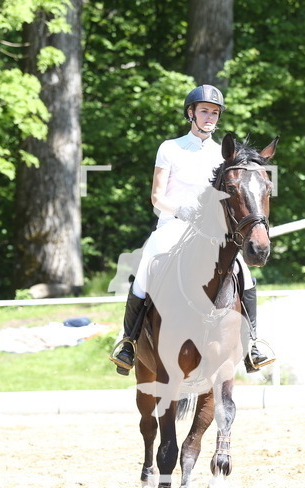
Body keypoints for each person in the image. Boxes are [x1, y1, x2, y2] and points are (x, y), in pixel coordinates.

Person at [109, 84, 275, 376]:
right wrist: (179, 211)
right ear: (191, 113)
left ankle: (253, 343)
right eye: (204, 111)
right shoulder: (170, 148)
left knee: (244, 273)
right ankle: (129, 342)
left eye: (214, 112)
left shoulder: (224, 155)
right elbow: (156, 196)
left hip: (211, 231)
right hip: (173, 224)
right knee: (147, 265)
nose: (210, 117)